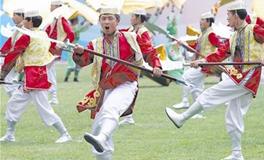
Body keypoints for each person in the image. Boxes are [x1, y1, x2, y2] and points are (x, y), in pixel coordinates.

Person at [165, 1, 264, 160]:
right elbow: (219, 54)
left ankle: (182, 118)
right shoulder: (233, 36)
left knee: (211, 93)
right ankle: (237, 154)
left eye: (229, 16)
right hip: (239, 76)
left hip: (248, 77)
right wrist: (201, 62)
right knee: (233, 116)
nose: (227, 20)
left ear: (237, 15)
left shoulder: (255, 29)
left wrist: (259, 17)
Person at [73, 7, 162, 160]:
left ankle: (102, 138)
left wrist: (157, 66)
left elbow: (149, 52)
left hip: (126, 83)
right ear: (100, 22)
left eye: (110, 18)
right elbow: (83, 61)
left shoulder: (130, 37)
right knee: (97, 127)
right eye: (103, 18)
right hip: (105, 88)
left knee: (110, 109)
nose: (106, 22)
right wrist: (79, 52)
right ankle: (102, 147)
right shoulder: (95, 44)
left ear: (117, 21)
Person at [0, 10, 72, 143]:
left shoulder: (28, 36)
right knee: (13, 104)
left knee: (44, 108)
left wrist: (3, 73)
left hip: (35, 78)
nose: (23, 21)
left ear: (31, 21)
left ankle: (65, 134)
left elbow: (15, 52)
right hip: (31, 76)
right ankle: (10, 135)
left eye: (26, 19)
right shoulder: (42, 33)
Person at [172, 11, 222, 119]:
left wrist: (211, 58)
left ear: (208, 21)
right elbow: (195, 47)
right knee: (196, 88)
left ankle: (185, 102)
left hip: (205, 64)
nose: (200, 22)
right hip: (200, 63)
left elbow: (221, 47)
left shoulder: (211, 34)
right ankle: (198, 112)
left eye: (202, 20)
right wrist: (183, 44)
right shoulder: (202, 34)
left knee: (185, 77)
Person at [119, 9, 155, 125]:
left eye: (132, 16)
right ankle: (127, 116)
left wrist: (154, 65)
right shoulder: (132, 29)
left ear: (139, 18)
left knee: (130, 87)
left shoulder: (143, 32)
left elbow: (148, 49)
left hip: (134, 64)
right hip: (126, 63)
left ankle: (126, 115)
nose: (131, 18)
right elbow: (122, 33)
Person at [45, 0, 75, 104]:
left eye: (51, 6)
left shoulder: (61, 19)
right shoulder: (53, 19)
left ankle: (52, 96)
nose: (50, 8)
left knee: (47, 71)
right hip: (48, 49)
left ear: (57, 6)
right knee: (48, 71)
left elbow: (71, 34)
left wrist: (62, 44)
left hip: (54, 50)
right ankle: (51, 96)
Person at [0, 8, 25, 97]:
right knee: (8, 81)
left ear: (21, 16)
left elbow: (18, 47)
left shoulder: (24, 29)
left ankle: (17, 100)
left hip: (15, 58)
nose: (12, 17)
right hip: (11, 57)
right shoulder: (19, 28)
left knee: (7, 81)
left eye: (15, 15)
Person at [64, 16, 90, 82]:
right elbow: (81, 28)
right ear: (75, 21)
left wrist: (85, 21)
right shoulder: (73, 28)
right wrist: (87, 21)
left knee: (76, 63)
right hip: (73, 46)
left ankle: (73, 78)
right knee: (72, 64)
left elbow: (80, 27)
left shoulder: (71, 27)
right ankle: (67, 78)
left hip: (75, 46)